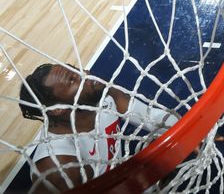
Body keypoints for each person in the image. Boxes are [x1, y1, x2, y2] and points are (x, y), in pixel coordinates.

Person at [18, 63, 182, 191]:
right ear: (57, 109)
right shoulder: (56, 165)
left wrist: (183, 131)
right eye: (72, 79)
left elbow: (150, 116)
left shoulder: (103, 95)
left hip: (119, 179)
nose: (87, 74)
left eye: (76, 69)